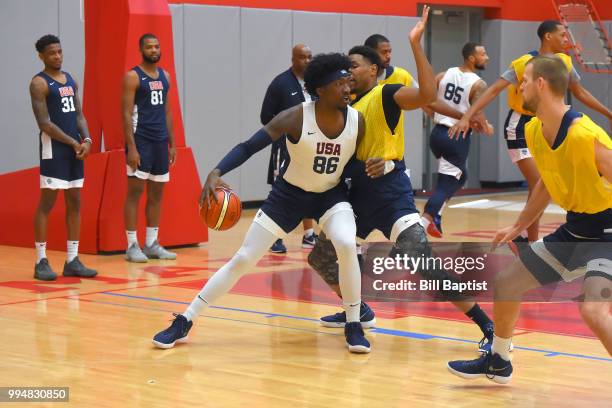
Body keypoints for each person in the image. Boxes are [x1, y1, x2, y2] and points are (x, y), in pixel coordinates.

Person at [153, 52, 372, 353]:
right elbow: (249, 146)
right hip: (289, 195)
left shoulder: (358, 122)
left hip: (330, 196)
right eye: (340, 83)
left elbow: (357, 168)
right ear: (320, 90)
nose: (348, 88)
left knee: (346, 245)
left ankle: (353, 324)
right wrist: (216, 171)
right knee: (243, 258)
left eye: (349, 82)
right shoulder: (296, 116)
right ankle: (185, 320)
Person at [308, 7, 498, 352]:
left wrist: (415, 44)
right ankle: (358, 308)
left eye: (355, 65)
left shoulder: (386, 93)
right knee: (320, 259)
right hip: (357, 198)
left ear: (375, 70)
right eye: (346, 66)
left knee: (421, 261)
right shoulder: (344, 106)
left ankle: (488, 326)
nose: (349, 71)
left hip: (391, 194)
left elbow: (427, 96)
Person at [448, 55, 612, 384]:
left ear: (541, 84)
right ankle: (499, 361)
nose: (518, 86)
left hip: (607, 232)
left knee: (592, 310)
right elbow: (545, 184)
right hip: (576, 228)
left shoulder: (585, 136)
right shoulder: (534, 129)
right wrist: (518, 225)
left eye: (524, 80)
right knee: (507, 284)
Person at [449, 20, 612, 243]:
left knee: (547, 180)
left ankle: (534, 238)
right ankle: (532, 241)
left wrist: (608, 113)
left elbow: (580, 92)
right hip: (521, 125)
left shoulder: (564, 62)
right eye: (562, 35)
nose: (567, 40)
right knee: (539, 182)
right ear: (547, 36)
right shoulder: (525, 63)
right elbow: (495, 89)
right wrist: (467, 116)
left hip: (554, 125)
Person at [30, 34, 98, 281]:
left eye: (59, 51)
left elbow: (80, 115)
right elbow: (44, 123)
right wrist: (73, 142)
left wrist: (88, 141)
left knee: (75, 202)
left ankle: (72, 260)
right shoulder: (39, 83)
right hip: (54, 150)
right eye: (51, 53)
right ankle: (41, 260)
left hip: (74, 150)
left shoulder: (70, 79)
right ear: (41, 56)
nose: (57, 56)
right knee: (47, 204)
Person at [421, 42, 491, 238]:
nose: (487, 57)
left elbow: (424, 100)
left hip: (437, 134)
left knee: (461, 176)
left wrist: (435, 117)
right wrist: (486, 126)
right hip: (456, 137)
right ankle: (424, 221)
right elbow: (477, 116)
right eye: (483, 54)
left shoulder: (443, 75)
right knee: (446, 183)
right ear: (471, 58)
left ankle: (437, 216)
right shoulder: (478, 84)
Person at [122, 33, 177, 262]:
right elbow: (125, 114)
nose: (153, 50)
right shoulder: (132, 77)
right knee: (135, 193)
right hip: (141, 140)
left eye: (156, 46)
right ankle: (132, 245)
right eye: (149, 47)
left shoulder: (165, 76)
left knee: (157, 194)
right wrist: (131, 148)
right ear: (141, 49)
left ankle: (152, 243)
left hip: (160, 143)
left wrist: (172, 143)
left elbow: (167, 111)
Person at [260, 44, 317, 253]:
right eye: (303, 57)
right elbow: (265, 117)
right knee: (280, 189)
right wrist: (284, 130)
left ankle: (309, 235)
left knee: (309, 187)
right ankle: (275, 237)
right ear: (293, 59)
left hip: (309, 146)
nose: (308, 61)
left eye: (310, 57)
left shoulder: (315, 84)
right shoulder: (280, 83)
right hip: (283, 147)